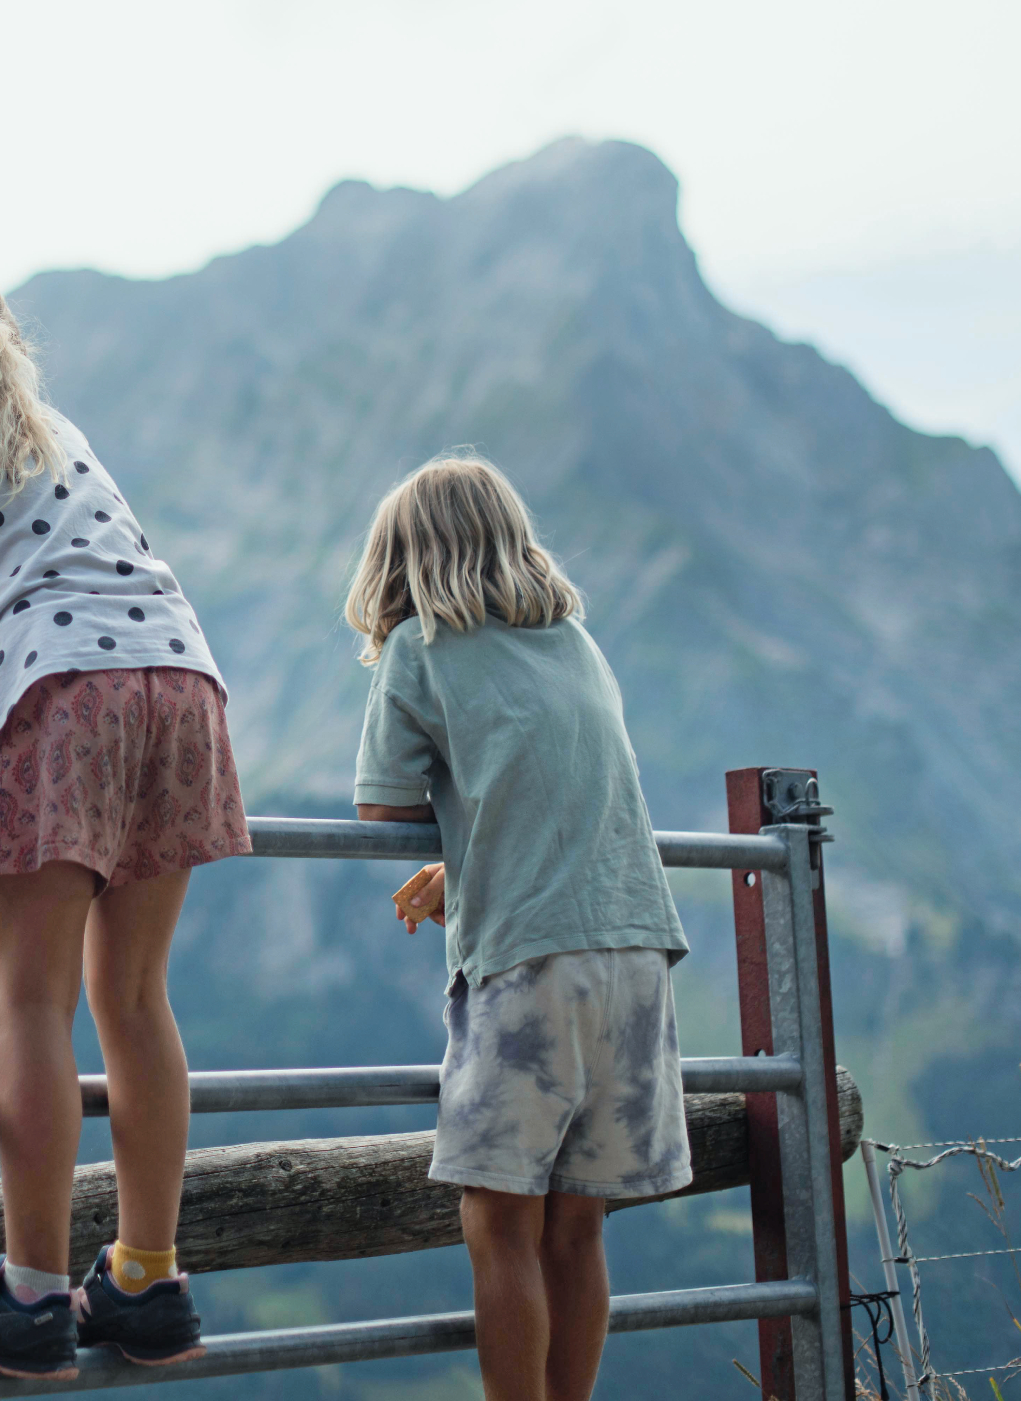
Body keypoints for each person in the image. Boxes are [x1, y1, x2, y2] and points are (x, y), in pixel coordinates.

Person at [0, 272, 248, 1381]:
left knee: (29, 1000)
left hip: (61, 692)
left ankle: (26, 1296)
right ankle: (143, 1281)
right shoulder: (56, 435)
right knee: (134, 997)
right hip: (183, 683)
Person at [348, 453, 691, 1401]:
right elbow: (563, 802)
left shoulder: (421, 647)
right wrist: (467, 867)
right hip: (637, 953)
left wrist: (457, 846)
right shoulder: (577, 642)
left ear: (404, 558)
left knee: (500, 1228)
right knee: (577, 1231)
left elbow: (379, 809)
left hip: (531, 969)